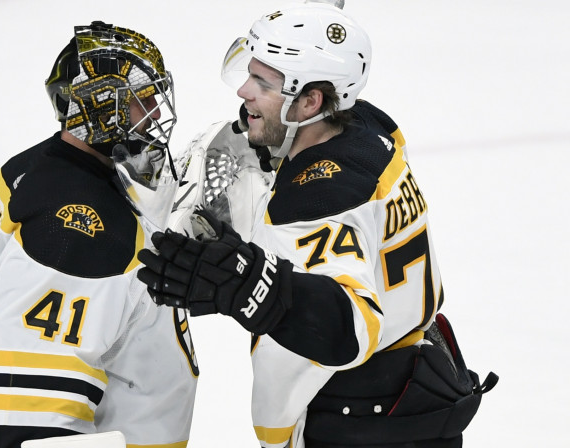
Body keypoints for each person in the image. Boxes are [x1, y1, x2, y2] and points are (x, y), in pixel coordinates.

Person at [138, 3, 496, 447]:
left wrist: (252, 284)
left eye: (263, 84)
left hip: (361, 421)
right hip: (417, 390)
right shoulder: (368, 126)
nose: (243, 92)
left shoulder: (315, 198)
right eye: (250, 74)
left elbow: (348, 326)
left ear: (311, 102)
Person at [0, 21, 198, 448]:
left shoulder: (40, 169)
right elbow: (28, 406)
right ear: (101, 107)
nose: (158, 113)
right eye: (144, 100)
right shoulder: (79, 230)